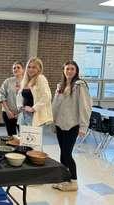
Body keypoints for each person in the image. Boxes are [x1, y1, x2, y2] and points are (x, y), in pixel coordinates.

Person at [52, 60, 92, 191]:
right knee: (63, 154)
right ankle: (64, 179)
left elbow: (85, 107)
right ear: (63, 70)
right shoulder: (60, 86)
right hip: (60, 124)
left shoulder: (80, 85)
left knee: (67, 154)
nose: (69, 71)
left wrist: (83, 127)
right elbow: (55, 106)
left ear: (76, 71)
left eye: (72, 69)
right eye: (67, 69)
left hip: (72, 125)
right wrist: (53, 123)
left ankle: (73, 181)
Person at [16, 57, 53, 127]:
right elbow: (20, 95)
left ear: (39, 69)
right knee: (22, 137)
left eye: (34, 67)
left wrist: (33, 108)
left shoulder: (40, 78)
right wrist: (20, 107)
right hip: (24, 114)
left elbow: (47, 96)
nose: (30, 69)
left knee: (32, 137)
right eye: (29, 67)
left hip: (34, 116)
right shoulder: (26, 80)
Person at [0, 61, 24, 136]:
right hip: (8, 114)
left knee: (23, 137)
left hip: (22, 115)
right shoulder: (7, 81)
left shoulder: (27, 82)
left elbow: (29, 99)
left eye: (18, 67)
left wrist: (20, 113)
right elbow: (2, 96)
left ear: (23, 70)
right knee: (11, 137)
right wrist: (8, 111)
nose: (16, 69)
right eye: (14, 68)